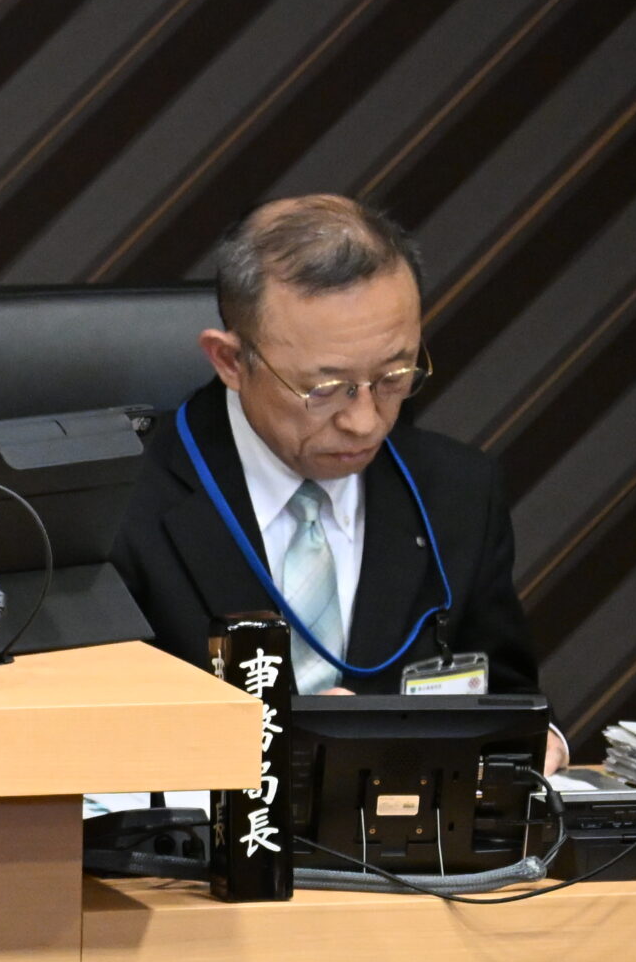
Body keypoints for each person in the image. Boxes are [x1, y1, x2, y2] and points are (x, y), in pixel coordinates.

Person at [114, 195, 563, 767]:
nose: (365, 420)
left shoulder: (457, 491)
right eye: (325, 389)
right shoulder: (119, 506)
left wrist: (533, 741)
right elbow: (79, 733)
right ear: (230, 361)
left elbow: (509, 696)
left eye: (394, 376)